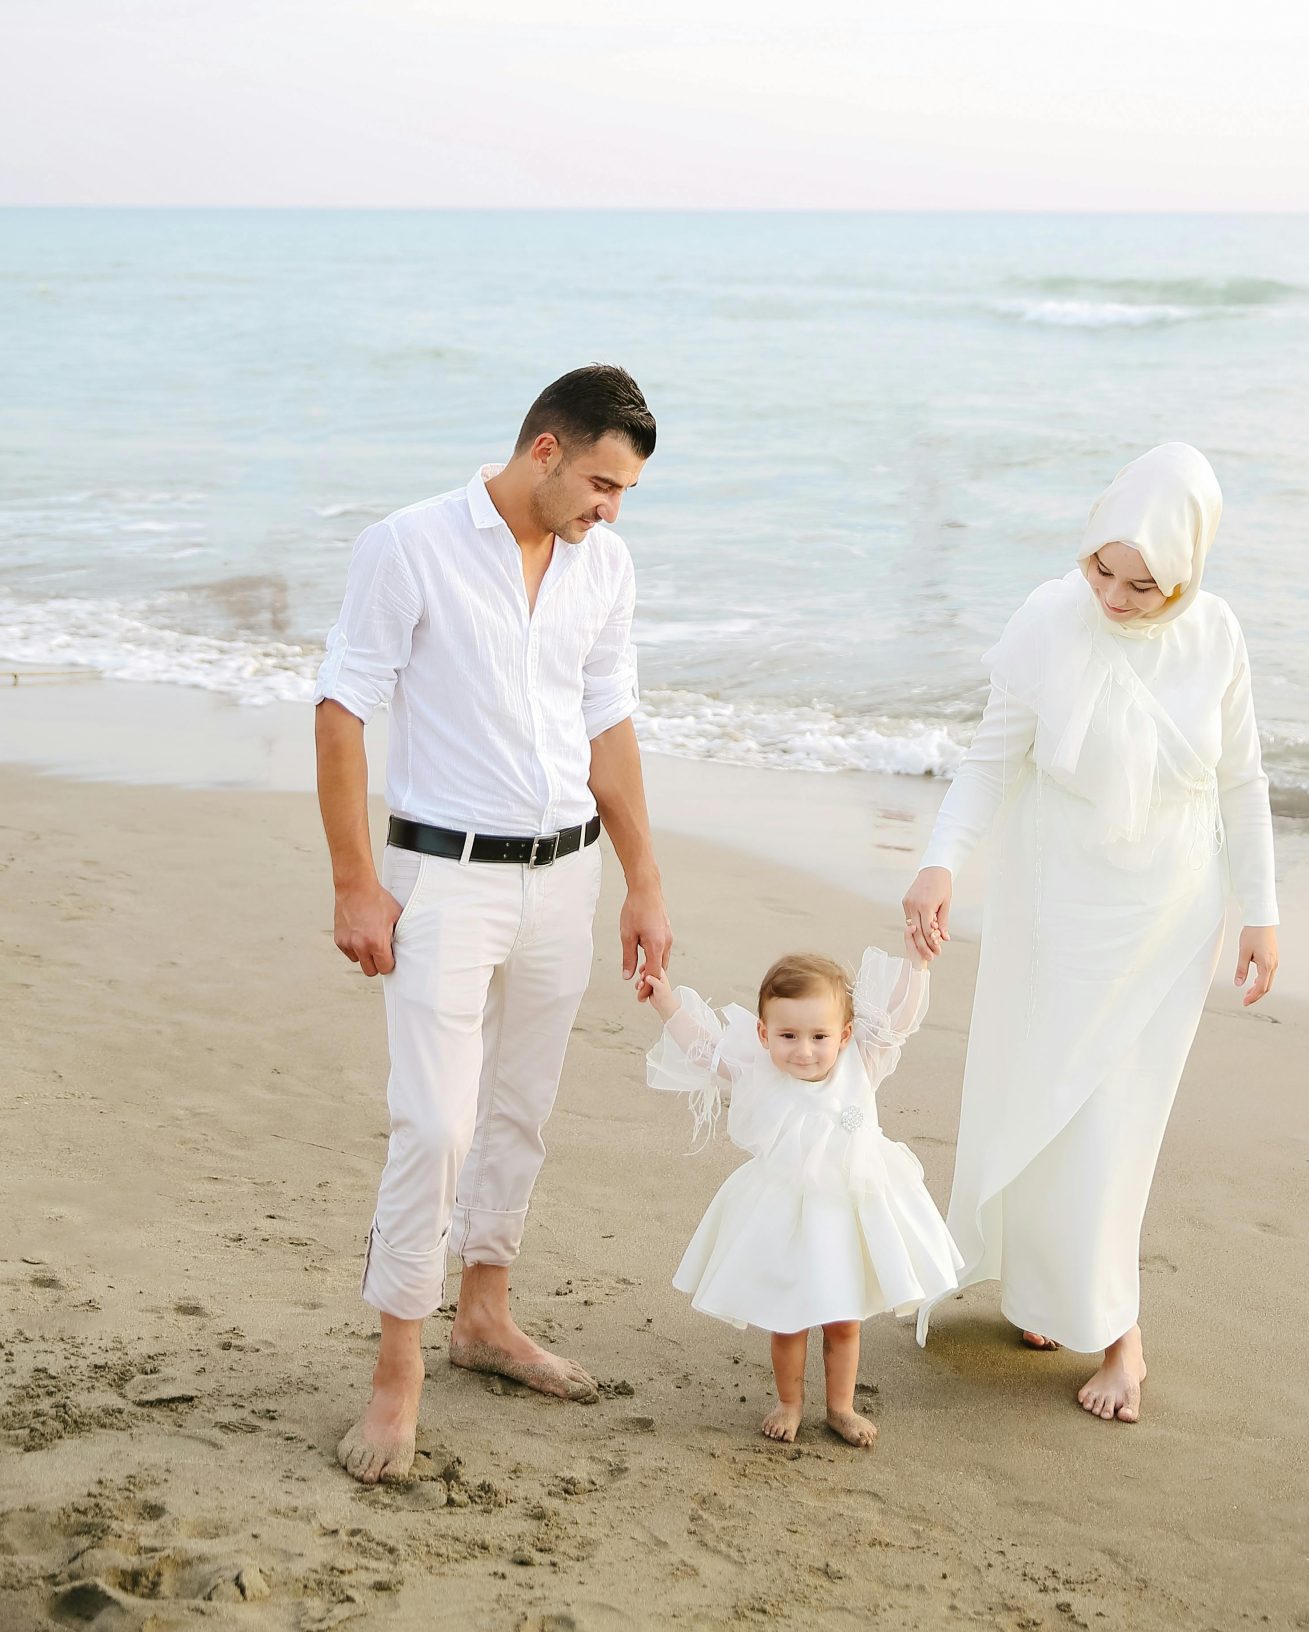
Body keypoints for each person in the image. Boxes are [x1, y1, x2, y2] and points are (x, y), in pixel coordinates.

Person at [314, 364, 672, 1484]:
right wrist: (355, 882)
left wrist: (645, 880)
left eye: (625, 493)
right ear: (544, 450)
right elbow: (341, 710)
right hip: (443, 877)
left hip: (566, 876)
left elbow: (608, 721)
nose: (611, 510)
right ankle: (398, 1370)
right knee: (435, 1124)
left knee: (520, 1111)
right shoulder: (408, 545)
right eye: (603, 484)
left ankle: (484, 1314)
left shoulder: (603, 564)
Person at [902, 441, 1279, 1423]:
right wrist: (941, 861)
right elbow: (991, 761)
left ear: (1186, 572)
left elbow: (1242, 780)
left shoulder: (1217, 636)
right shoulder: (1046, 618)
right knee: (1037, 1094)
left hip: (1167, 914)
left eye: (1142, 585)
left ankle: (1121, 1337)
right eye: (1101, 570)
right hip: (1052, 900)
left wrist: (1262, 911)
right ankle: (1045, 1293)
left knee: (1116, 1117)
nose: (1113, 597)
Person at [640, 947, 961, 1448]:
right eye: (787, 1036)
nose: (804, 1051)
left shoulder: (861, 1061)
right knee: (787, 1321)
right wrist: (666, 1003)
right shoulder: (756, 1067)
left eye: (819, 1037)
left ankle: (841, 1406)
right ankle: (789, 1402)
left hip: (847, 1214)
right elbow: (704, 1049)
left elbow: (898, 1018)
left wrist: (918, 966)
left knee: (843, 1321)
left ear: (844, 1035)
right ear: (763, 1033)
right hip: (784, 1215)